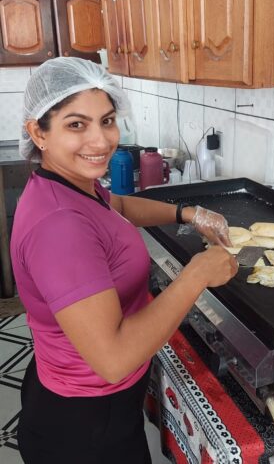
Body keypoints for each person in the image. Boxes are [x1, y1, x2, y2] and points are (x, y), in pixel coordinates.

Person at [10, 57, 238, 464]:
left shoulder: (66, 184)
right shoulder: (59, 228)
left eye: (108, 120)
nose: (100, 141)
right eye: (76, 124)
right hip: (86, 428)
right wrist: (197, 273)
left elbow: (113, 205)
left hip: (72, 394)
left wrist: (185, 213)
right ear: (37, 132)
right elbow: (113, 360)